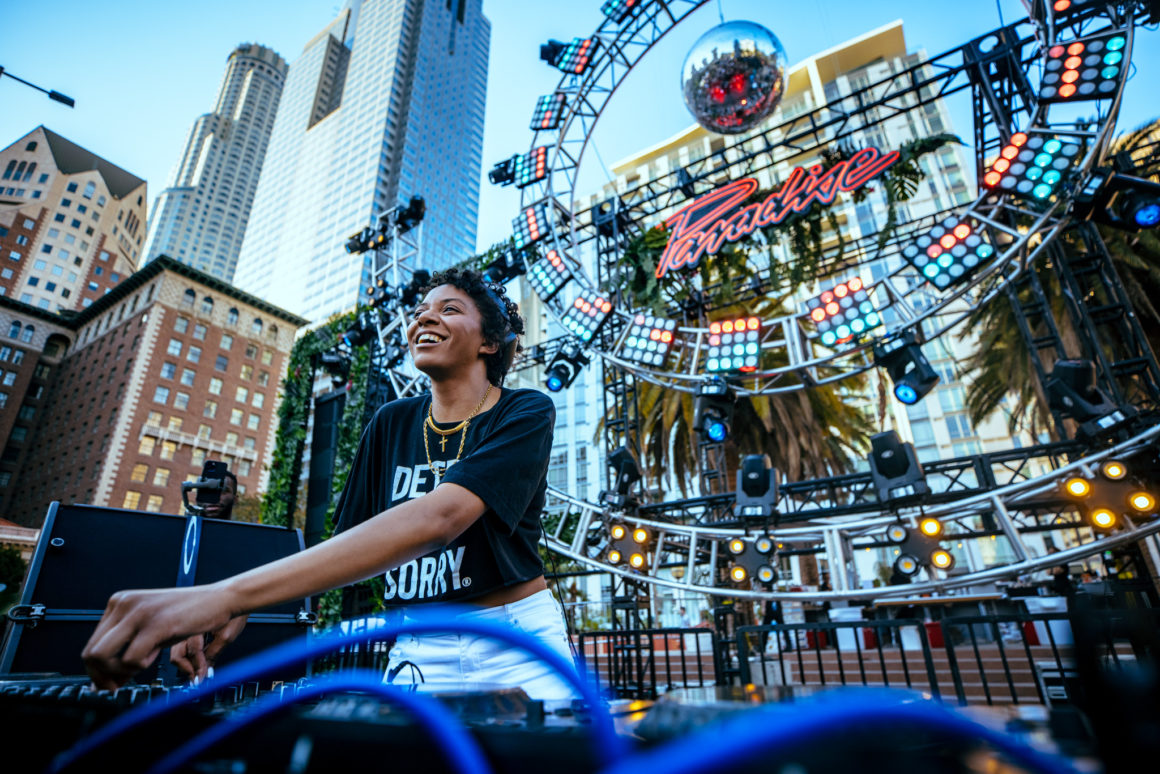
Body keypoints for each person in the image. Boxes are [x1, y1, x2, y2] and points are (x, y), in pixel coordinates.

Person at [82, 269, 576, 705]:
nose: (424, 319)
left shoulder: (525, 410)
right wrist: (251, 604)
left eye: (449, 309)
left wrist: (227, 595)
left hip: (516, 637)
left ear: (490, 342)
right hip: (420, 641)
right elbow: (348, 546)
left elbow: (438, 520)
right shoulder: (391, 422)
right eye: (420, 311)